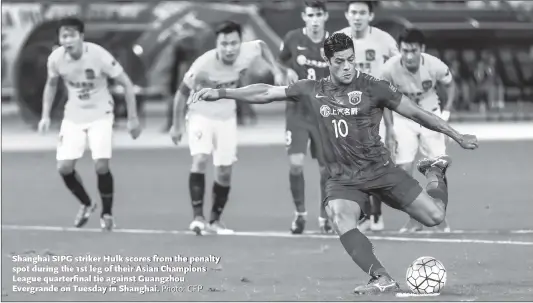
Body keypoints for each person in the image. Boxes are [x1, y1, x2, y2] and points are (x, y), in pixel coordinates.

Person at [190, 33, 478, 294]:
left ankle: (435, 171)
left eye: (351, 60)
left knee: (435, 217)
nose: (347, 66)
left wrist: (457, 134)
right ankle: (381, 277)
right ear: (327, 61)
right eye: (339, 61)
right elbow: (267, 92)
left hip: (380, 170)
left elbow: (417, 113)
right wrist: (223, 92)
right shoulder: (311, 89)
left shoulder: (373, 87)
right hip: (343, 178)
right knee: (339, 216)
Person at [169, 21, 283, 235]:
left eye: (233, 43)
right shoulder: (202, 65)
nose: (229, 48)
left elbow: (262, 46)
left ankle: (215, 221)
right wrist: (176, 126)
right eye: (224, 44)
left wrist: (275, 70)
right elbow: (181, 94)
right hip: (200, 114)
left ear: (240, 43)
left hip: (227, 117)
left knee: (224, 171)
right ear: (217, 44)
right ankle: (198, 218)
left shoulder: (247, 52)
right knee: (201, 158)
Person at [37, 17, 142, 231]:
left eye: (71, 35)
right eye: (63, 36)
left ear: (81, 37)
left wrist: (133, 118)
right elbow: (51, 85)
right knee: (64, 168)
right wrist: (45, 115)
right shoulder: (56, 59)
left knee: (101, 165)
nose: (67, 41)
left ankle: (107, 213)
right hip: (73, 115)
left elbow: (127, 84)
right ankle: (86, 203)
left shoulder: (99, 56)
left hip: (101, 112)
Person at [379, 29, 456, 233]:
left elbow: (451, 85)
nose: (409, 56)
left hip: (430, 115)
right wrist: (389, 128)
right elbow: (383, 100)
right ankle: (415, 219)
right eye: (405, 50)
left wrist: (446, 113)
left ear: (422, 49)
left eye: (414, 51)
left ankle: (439, 218)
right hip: (402, 119)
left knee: (437, 169)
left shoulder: (434, 65)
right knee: (404, 171)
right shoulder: (388, 69)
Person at [336, 0, 399, 232]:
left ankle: (375, 215)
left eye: (362, 12)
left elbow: (395, 73)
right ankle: (364, 216)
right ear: (346, 15)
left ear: (370, 16)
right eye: (353, 12)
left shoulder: (385, 41)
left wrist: (392, 124)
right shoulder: (337, 40)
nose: (357, 17)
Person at [278, 0, 332, 234]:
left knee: (326, 170)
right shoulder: (292, 39)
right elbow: (280, 62)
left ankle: (325, 216)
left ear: (325, 17)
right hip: (297, 112)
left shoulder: (335, 43)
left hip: (324, 114)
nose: (315, 19)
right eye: (311, 15)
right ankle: (300, 214)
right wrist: (284, 72)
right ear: (304, 16)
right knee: (296, 165)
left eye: (318, 15)